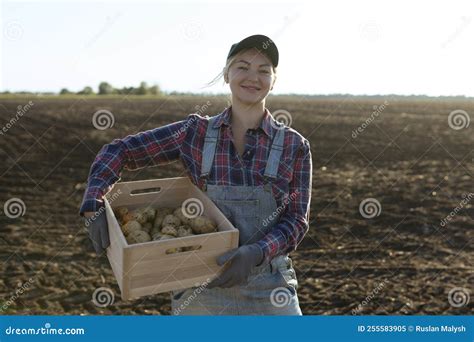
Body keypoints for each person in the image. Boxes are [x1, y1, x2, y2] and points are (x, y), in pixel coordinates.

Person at [80, 34, 312, 315]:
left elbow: (296, 220)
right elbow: (119, 152)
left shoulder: (293, 145)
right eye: (242, 67)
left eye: (264, 70)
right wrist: (93, 202)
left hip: (270, 289)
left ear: (274, 80)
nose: (253, 77)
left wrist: (257, 252)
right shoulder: (195, 134)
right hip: (200, 291)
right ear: (226, 74)